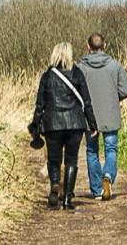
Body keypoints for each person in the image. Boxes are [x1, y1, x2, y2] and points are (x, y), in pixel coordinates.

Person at [29, 41, 96, 210]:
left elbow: (40, 104)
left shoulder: (47, 76)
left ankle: (54, 185)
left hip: (52, 124)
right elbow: (86, 102)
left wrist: (35, 124)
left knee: (54, 159)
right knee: (71, 160)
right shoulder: (78, 74)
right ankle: (67, 199)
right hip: (75, 124)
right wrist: (92, 124)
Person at [78, 32, 127, 201]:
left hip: (89, 117)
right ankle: (107, 176)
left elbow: (76, 91)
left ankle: (96, 190)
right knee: (111, 149)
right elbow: (126, 89)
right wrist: (114, 97)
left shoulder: (81, 67)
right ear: (105, 46)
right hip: (110, 114)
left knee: (91, 151)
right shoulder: (115, 66)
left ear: (88, 47)